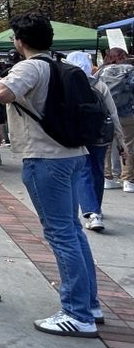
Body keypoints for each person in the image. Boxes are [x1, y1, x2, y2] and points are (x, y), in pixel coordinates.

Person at [0, 13, 101, 338]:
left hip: (45, 158)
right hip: (73, 155)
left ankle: (77, 313)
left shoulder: (30, 66)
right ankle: (89, 305)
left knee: (61, 235)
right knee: (74, 233)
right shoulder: (60, 65)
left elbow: (2, 94)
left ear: (20, 41)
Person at [66, 51, 121, 232]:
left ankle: (91, 212)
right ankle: (96, 208)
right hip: (100, 134)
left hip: (77, 135)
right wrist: (119, 137)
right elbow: (112, 112)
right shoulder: (99, 84)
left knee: (84, 171)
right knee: (97, 170)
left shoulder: (66, 84)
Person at [95, 47, 134, 192]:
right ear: (123, 56)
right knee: (128, 145)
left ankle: (107, 178)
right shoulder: (130, 70)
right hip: (127, 113)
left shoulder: (101, 70)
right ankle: (128, 181)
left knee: (106, 146)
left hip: (106, 114)